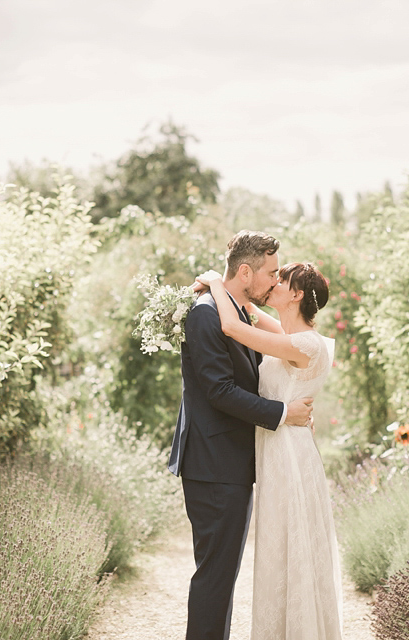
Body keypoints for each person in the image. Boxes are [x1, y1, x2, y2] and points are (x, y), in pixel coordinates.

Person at [168, 230, 315, 640]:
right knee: (215, 576)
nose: (275, 280)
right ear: (246, 271)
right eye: (270, 272)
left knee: (221, 573)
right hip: (214, 464)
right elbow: (219, 391)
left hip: (229, 463)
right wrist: (284, 413)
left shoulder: (234, 309)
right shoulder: (205, 312)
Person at [196, 261, 343, 640]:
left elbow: (233, 326)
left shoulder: (304, 343)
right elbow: (251, 312)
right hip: (281, 448)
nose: (274, 281)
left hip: (290, 457)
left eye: (282, 279)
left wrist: (214, 281)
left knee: (290, 547)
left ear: (296, 295)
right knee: (281, 550)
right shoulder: (291, 334)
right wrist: (233, 289)